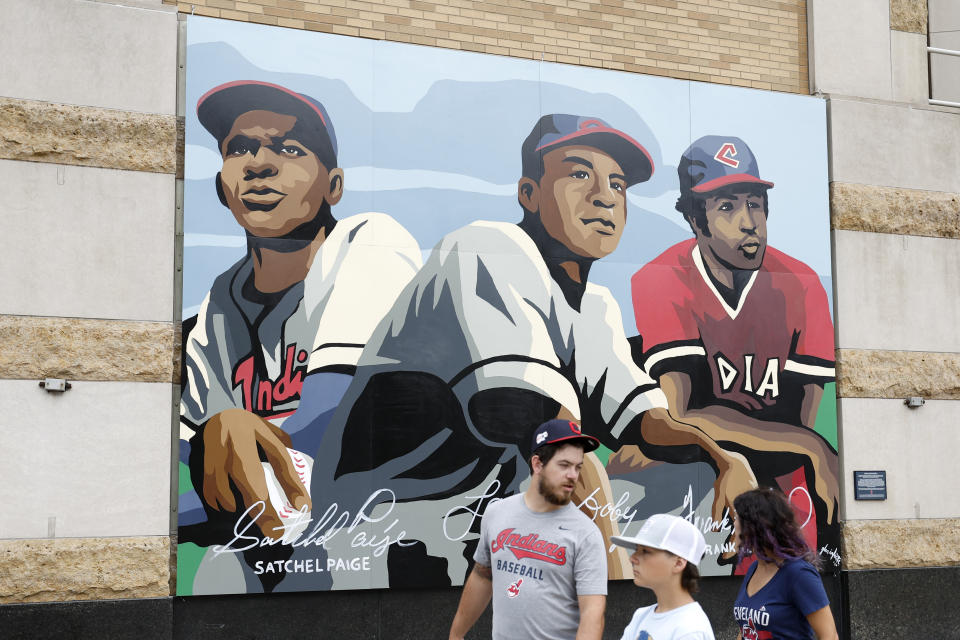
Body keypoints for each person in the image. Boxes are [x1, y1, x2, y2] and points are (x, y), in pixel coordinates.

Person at [311, 114, 757, 585]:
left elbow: (647, 424)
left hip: (459, 527)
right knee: (588, 481)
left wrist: (727, 460)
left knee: (685, 472)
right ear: (529, 194)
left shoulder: (593, 305)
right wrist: (610, 591)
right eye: (580, 174)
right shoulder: (486, 249)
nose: (605, 195)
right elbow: (550, 432)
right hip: (364, 527)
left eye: (618, 184)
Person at [177, 80, 421, 576]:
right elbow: (193, 465)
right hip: (272, 537)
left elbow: (328, 433)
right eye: (239, 148)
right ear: (222, 184)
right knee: (217, 574)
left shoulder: (367, 243)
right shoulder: (219, 303)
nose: (259, 163)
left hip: (396, 530)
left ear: (333, 186)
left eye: (289, 148)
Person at [629, 135, 839, 559]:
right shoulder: (661, 276)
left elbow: (803, 421)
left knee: (810, 532)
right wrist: (811, 446)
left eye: (755, 204)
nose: (749, 222)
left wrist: (799, 454)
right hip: (690, 462)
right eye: (726, 206)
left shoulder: (802, 283)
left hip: (778, 469)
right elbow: (681, 415)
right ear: (694, 219)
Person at [448, 419, 608, 640]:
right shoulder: (497, 513)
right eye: (564, 465)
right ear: (537, 464)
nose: (573, 475)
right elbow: (482, 575)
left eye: (578, 467)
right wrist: (456, 635)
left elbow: (593, 611)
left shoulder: (586, 534)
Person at [731, 487, 838, 640]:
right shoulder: (754, 568)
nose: (733, 523)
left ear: (755, 526)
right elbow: (747, 628)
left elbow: (830, 636)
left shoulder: (798, 573)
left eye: (737, 517)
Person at [611, 513, 715, 640]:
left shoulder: (690, 630)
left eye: (645, 551)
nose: (632, 558)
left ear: (678, 563)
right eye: (636, 549)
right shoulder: (641, 616)